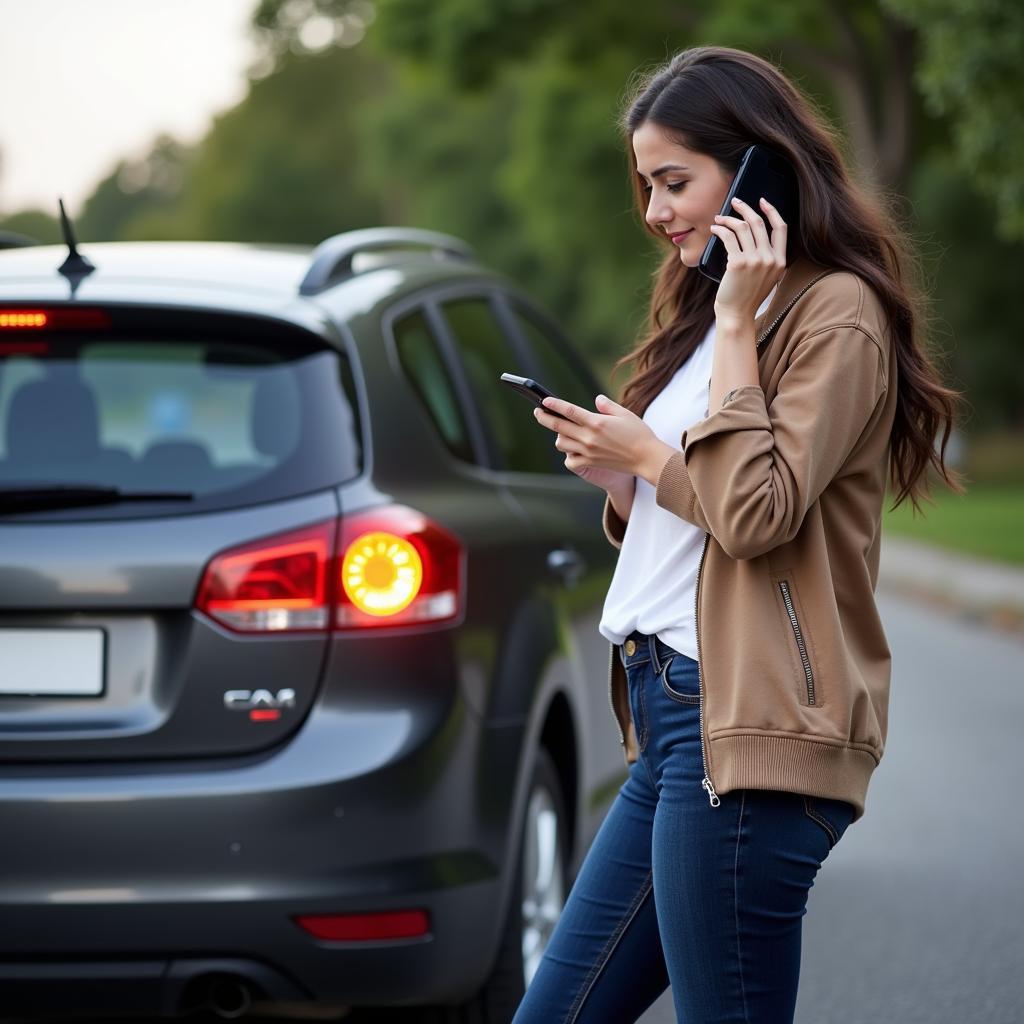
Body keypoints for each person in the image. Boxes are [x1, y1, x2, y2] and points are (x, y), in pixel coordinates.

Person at [513, 45, 965, 1023]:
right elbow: (709, 515)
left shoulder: (827, 314)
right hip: (673, 720)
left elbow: (757, 513)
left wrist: (683, 403)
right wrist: (622, 476)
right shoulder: (716, 311)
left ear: (756, 168)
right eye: (644, 185)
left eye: (674, 181)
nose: (653, 210)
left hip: (747, 726)